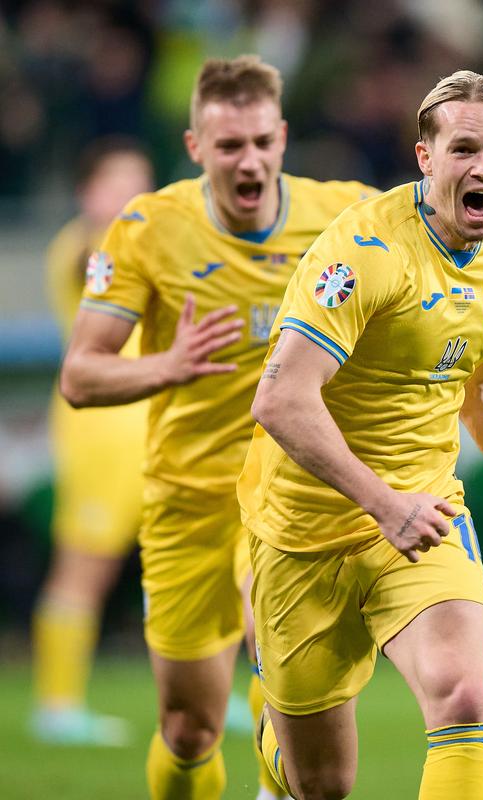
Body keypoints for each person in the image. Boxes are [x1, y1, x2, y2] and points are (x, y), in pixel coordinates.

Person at [238, 70, 483, 800]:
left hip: (427, 512)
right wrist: (383, 503)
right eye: (465, 149)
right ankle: (275, 748)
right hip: (305, 531)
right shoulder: (363, 252)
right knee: (321, 783)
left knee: (461, 698)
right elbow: (281, 399)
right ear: (425, 157)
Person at [60, 56, 373, 800]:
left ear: (284, 136)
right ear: (196, 147)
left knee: (283, 674)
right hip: (188, 495)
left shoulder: (347, 215)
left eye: (263, 142)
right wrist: (167, 365)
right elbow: (81, 375)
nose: (251, 160)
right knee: (189, 728)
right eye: (230, 146)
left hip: (293, 492)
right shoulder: (147, 230)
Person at [32, 137, 154, 747]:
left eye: (141, 181)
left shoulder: (139, 247)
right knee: (86, 566)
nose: (133, 195)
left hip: (153, 428)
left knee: (198, 564)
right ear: (87, 192)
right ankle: (57, 704)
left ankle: (209, 690)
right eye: (118, 182)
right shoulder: (87, 248)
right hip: (98, 433)